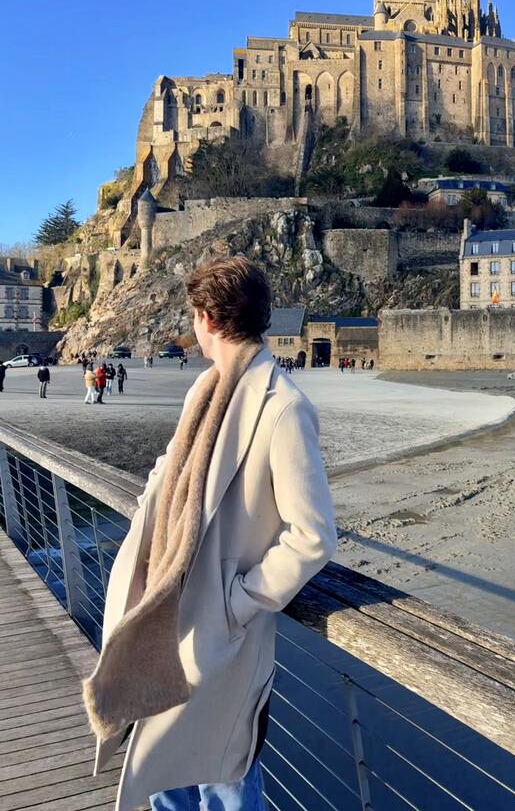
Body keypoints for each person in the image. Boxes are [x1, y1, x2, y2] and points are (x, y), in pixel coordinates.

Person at [83, 255, 337, 811]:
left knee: (225, 776)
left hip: (220, 634)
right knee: (163, 773)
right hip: (166, 613)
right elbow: (171, 466)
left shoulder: (285, 407)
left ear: (207, 318)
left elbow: (313, 536)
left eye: (194, 314)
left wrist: (238, 603)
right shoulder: (205, 387)